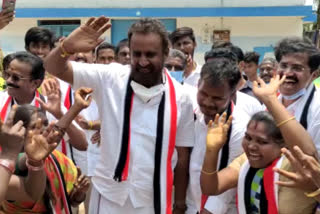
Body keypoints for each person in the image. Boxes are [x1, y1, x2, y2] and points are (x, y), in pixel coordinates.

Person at [44, 17, 195, 214]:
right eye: (136, 54)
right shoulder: (109, 77)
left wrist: (180, 204)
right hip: (109, 194)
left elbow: (182, 157)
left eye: (150, 54)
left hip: (154, 198)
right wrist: (67, 47)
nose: (142, 61)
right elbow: (53, 67)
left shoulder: (182, 97)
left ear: (165, 53)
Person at [201, 75, 318, 213]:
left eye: (262, 142)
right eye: (248, 138)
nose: (251, 146)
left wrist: (314, 189)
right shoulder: (245, 162)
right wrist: (212, 151)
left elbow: (309, 151)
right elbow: (211, 188)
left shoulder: (295, 165)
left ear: (283, 144)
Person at [1, 87, 92, 213]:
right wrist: (74, 109)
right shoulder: (11, 165)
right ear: (20, 132)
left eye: (45, 124)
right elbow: (26, 161)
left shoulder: (58, 160)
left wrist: (79, 194)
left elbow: (70, 201)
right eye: (34, 127)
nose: (43, 130)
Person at [186, 58, 259, 214]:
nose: (207, 102)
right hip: (191, 204)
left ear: (232, 94)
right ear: (198, 85)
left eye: (217, 98)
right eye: (203, 94)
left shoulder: (240, 128)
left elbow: (228, 187)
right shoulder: (191, 115)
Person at [0, 52, 87, 156]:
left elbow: (82, 145)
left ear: (35, 83)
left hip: (45, 170)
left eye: (16, 78)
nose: (8, 81)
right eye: (7, 75)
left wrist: (59, 114)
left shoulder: (51, 107)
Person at [274, 37, 320, 153]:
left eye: (297, 68)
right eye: (283, 66)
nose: (288, 73)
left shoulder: (317, 108)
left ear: (314, 75)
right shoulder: (271, 100)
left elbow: (315, 159)